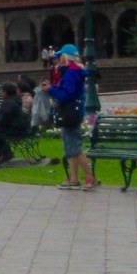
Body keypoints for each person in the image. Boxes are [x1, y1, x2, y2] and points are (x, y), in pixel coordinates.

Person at [50, 47, 96, 191]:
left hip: (70, 113)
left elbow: (66, 94)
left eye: (60, 57)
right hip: (71, 112)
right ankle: (74, 178)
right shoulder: (72, 72)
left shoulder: (71, 73)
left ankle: (89, 176)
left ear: (66, 57)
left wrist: (50, 90)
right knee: (69, 146)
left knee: (74, 147)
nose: (57, 61)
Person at [0, 81, 30, 166]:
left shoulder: (8, 103)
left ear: (6, 92)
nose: (0, 93)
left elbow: (4, 118)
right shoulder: (15, 100)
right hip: (20, 129)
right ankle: (6, 154)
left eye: (2, 91)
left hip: (15, 130)